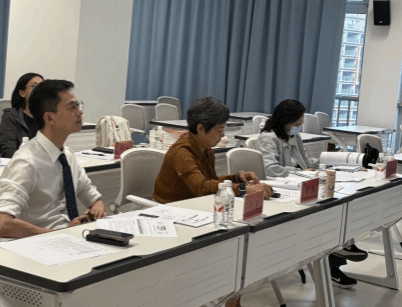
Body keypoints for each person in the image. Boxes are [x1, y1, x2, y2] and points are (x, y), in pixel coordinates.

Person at [153, 97, 271, 307]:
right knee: (232, 246)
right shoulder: (182, 152)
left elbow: (210, 182)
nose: (222, 135)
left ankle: (232, 297)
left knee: (239, 242)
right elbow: (201, 187)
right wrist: (243, 189)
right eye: (219, 129)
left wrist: (236, 177)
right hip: (172, 213)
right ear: (200, 128)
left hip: (197, 208)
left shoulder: (205, 149)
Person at [255, 99, 368, 289]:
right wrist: (300, 172)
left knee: (334, 205)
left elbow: (306, 162)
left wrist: (338, 164)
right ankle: (336, 255)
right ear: (285, 120)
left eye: (301, 123)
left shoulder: (294, 136)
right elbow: (270, 169)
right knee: (321, 217)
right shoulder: (268, 137)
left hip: (302, 186)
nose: (298, 126)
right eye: (296, 123)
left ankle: (340, 250)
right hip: (281, 190)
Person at [0, 79, 107, 239]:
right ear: (49, 118)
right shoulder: (27, 161)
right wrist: (58, 233)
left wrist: (96, 211)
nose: (80, 113)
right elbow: (3, 224)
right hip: (38, 243)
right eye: (72, 107)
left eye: (78, 105)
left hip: (67, 237)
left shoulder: (67, 156)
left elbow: (93, 198)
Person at [0, 73, 44, 158]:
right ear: (22, 93)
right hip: (21, 163)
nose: (39, 90)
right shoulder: (11, 117)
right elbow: (8, 152)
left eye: (42, 87)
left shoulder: (47, 117)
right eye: (34, 86)